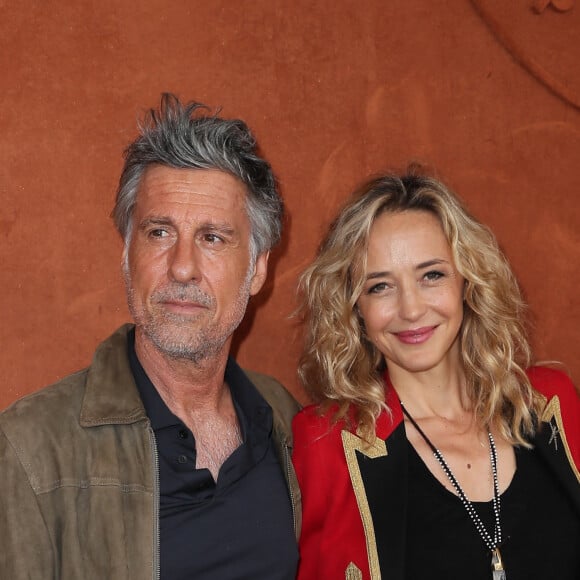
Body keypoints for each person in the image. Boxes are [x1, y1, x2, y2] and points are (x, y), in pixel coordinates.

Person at [0, 94, 301, 579]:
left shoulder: (284, 422)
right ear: (126, 254)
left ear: (258, 268)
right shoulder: (30, 449)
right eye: (159, 232)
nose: (182, 267)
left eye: (213, 238)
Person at [292, 168, 580, 580]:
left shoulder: (553, 403)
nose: (411, 309)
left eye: (432, 275)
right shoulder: (327, 443)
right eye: (380, 287)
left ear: (467, 280)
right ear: (355, 308)